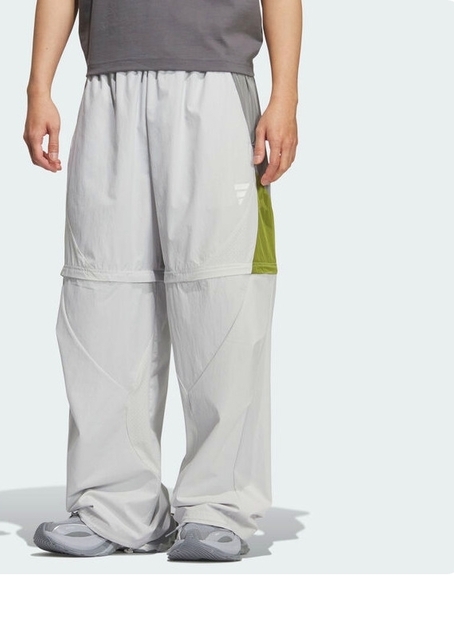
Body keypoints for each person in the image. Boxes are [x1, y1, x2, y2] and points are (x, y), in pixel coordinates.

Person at [22, 0, 301, 561]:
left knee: (222, 293)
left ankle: (218, 506)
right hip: (110, 88)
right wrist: (39, 88)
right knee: (103, 294)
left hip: (217, 88)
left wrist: (285, 96)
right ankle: (113, 507)